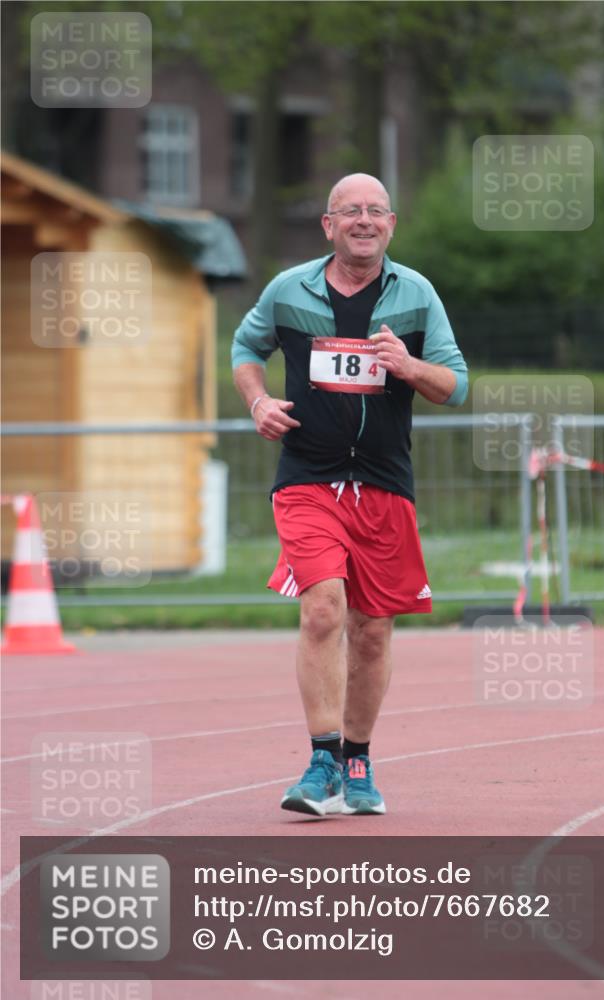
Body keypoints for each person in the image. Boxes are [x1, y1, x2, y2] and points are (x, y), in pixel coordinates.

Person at [232, 173, 468, 817]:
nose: (364, 220)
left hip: (384, 483)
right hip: (307, 476)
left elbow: (456, 385)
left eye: (375, 211)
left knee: (372, 631)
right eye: (350, 211)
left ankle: (357, 761)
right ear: (328, 225)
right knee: (322, 610)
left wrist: (408, 366)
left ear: (391, 224)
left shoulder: (416, 294)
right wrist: (257, 401)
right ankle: (320, 759)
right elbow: (246, 346)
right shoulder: (289, 289)